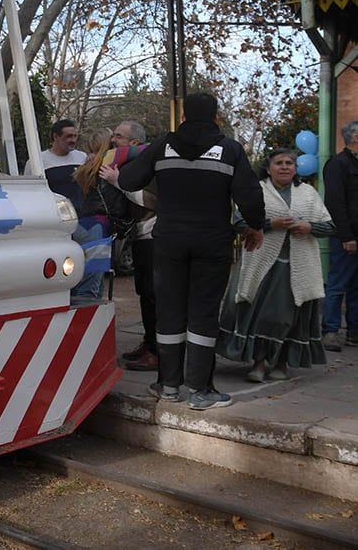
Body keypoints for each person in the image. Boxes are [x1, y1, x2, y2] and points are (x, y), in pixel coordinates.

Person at [108, 92, 265, 410]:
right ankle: (200, 389)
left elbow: (128, 178)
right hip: (212, 242)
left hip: (168, 242)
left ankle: (168, 385)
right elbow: (249, 196)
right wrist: (256, 225)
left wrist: (135, 154)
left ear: (183, 119)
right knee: (204, 312)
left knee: (170, 310)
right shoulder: (229, 150)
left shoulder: (163, 145)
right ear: (216, 118)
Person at [217, 149, 332, 381]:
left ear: (296, 169)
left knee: (286, 318)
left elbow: (330, 226)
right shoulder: (258, 190)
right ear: (268, 168)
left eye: (290, 163)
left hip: (297, 267)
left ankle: (281, 363)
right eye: (279, 163)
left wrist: (309, 227)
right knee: (261, 315)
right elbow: (239, 221)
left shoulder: (307, 193)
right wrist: (270, 224)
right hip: (261, 264)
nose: (285, 167)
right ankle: (259, 364)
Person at [101, 120, 160, 371]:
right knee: (144, 295)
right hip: (140, 237)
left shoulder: (150, 165)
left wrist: (118, 183)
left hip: (155, 237)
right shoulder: (129, 162)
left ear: (134, 143)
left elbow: (154, 200)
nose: (114, 140)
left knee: (153, 296)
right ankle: (149, 344)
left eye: (119, 136)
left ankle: (158, 352)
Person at [71, 128, 129, 301]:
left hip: (84, 224)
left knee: (91, 280)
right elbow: (145, 149)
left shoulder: (87, 165)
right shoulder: (110, 160)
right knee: (92, 286)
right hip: (99, 227)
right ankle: (86, 324)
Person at [321, 120, 358, 350]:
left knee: (356, 286)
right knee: (337, 284)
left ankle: (354, 331)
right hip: (347, 235)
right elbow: (335, 202)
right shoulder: (338, 164)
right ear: (354, 137)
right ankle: (330, 331)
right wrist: (346, 236)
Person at [41, 119, 87, 212]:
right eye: (69, 136)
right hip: (53, 215)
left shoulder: (82, 157)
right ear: (55, 137)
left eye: (75, 136)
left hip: (81, 214)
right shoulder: (39, 160)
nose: (73, 140)